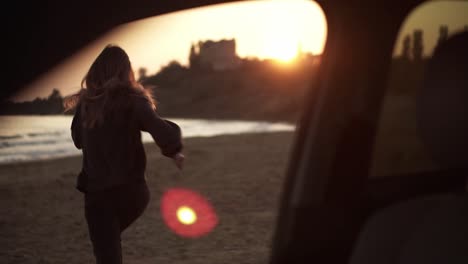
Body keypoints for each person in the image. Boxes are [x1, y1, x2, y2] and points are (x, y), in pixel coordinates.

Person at [64, 44, 185, 264]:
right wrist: (174, 150)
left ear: (96, 71)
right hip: (134, 194)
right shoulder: (134, 100)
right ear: (126, 71)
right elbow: (158, 127)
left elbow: (77, 140)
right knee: (109, 247)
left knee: (107, 253)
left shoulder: (86, 105)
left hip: (98, 197)